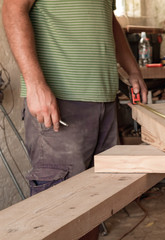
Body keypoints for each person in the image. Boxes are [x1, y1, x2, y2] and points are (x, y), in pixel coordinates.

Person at [2, 0, 147, 238]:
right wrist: (35, 83)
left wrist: (133, 70)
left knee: (92, 206)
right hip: (61, 103)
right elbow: (12, 9)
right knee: (57, 213)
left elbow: (108, 20)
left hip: (104, 101)